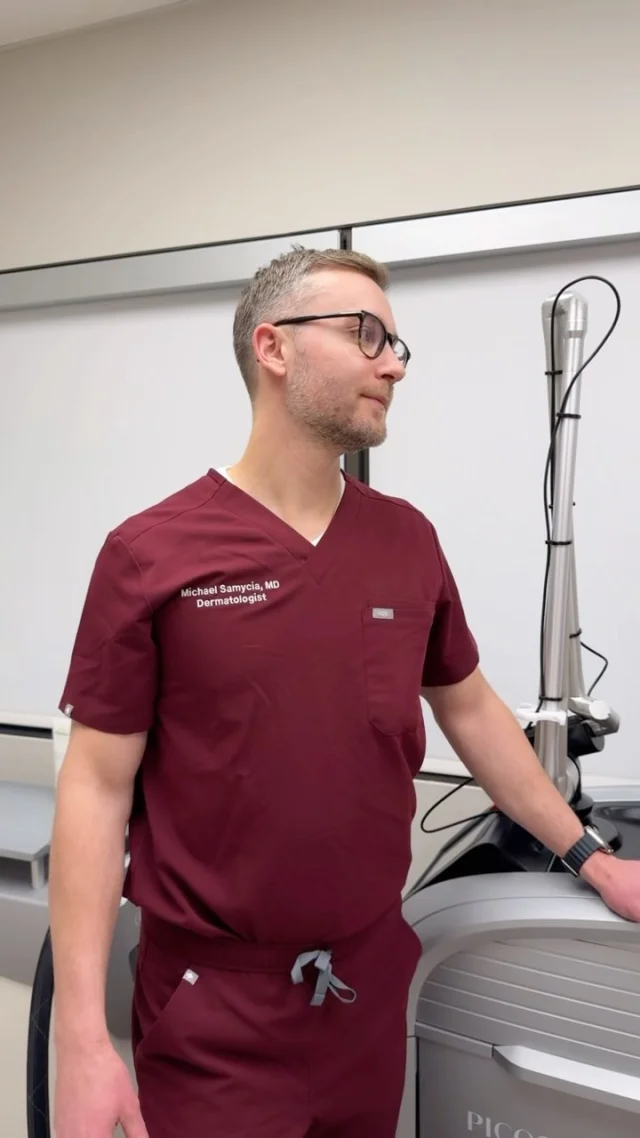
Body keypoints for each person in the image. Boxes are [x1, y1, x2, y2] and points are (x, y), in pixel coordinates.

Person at [49, 247, 640, 1138]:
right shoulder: (151, 554)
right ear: (274, 348)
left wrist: (590, 857)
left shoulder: (405, 539)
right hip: (218, 1007)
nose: (394, 362)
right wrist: (80, 1038)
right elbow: (95, 787)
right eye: (366, 335)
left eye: (398, 342)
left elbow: (469, 707)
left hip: (364, 983)